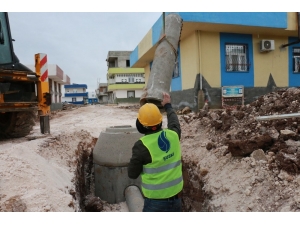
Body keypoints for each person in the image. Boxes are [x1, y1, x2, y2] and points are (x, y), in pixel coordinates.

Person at [128, 92, 183, 212]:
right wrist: (168, 105)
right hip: (177, 199)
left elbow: (132, 173)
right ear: (160, 122)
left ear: (141, 125)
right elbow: (174, 123)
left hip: (155, 202)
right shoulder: (173, 136)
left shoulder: (141, 146)